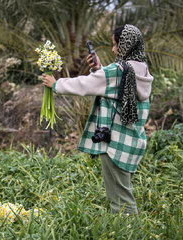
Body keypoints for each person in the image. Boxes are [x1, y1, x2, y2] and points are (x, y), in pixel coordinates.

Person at [42, 24, 153, 215]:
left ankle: (129, 233)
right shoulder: (141, 69)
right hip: (131, 141)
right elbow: (111, 87)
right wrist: (99, 68)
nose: (113, 49)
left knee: (121, 202)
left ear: (125, 45)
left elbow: (86, 84)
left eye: (115, 45)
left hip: (115, 145)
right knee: (123, 192)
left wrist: (56, 84)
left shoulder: (119, 71)